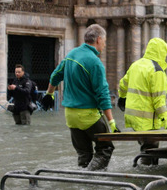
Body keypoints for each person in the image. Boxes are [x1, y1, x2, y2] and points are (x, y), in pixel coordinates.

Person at [45, 24, 118, 171]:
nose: (104, 44)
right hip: (88, 115)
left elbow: (55, 76)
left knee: (84, 154)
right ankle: (90, 177)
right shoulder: (95, 61)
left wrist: (49, 94)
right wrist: (111, 121)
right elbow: (102, 93)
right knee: (105, 149)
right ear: (98, 39)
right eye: (104, 41)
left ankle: (82, 178)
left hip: (70, 116)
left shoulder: (71, 54)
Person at [117, 37, 167, 165]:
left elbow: (122, 84)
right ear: (160, 52)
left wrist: (122, 97)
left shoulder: (135, 65)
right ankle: (146, 176)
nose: (166, 56)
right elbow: (159, 102)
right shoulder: (157, 70)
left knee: (145, 147)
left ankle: (143, 169)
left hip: (132, 118)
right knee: (151, 150)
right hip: (146, 120)